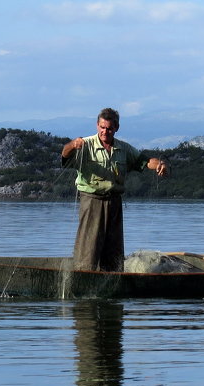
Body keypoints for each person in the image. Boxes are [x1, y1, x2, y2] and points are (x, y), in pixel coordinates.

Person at [61, 107, 168, 271]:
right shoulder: (85, 144)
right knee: (87, 249)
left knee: (114, 252)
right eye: (102, 127)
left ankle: (112, 278)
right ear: (97, 125)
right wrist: (72, 144)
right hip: (91, 201)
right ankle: (83, 274)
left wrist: (159, 165)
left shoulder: (124, 149)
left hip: (114, 202)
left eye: (109, 128)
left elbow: (146, 161)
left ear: (116, 128)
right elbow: (64, 154)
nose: (105, 132)